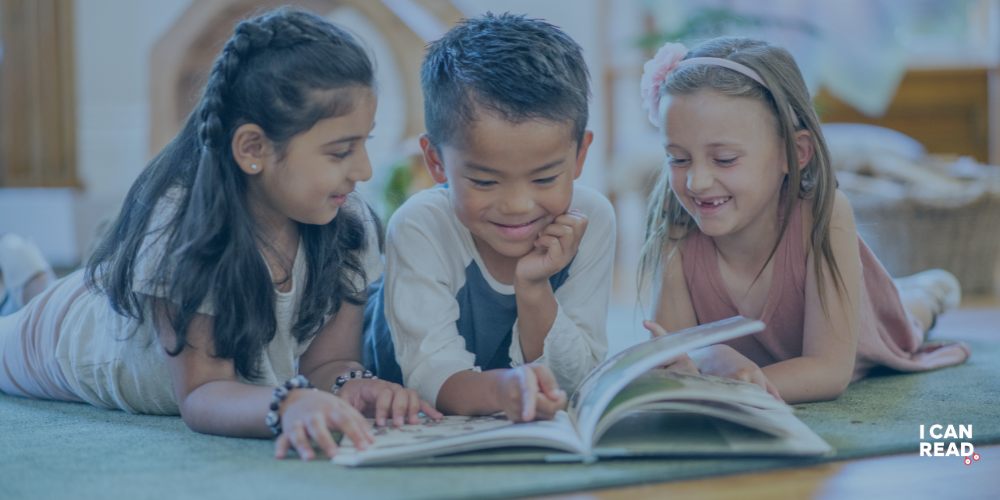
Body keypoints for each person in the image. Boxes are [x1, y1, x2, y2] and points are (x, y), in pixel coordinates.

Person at [0, 8, 440, 461]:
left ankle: (29, 280)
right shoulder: (185, 228)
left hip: (113, 307)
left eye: (364, 142)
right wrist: (287, 403)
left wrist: (354, 385)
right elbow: (203, 393)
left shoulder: (348, 223)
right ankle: (29, 287)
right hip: (76, 341)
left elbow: (323, 365)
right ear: (253, 149)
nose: (364, 170)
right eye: (340, 151)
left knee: (46, 293)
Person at [638, 37, 970, 404]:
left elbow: (827, 372)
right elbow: (669, 352)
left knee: (905, 320)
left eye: (725, 159)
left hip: (861, 326)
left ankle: (929, 291)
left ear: (794, 154)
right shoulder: (675, 227)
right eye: (678, 159)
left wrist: (729, 386)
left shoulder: (822, 214)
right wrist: (707, 355)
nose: (696, 181)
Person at [364, 13, 616, 423]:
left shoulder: (590, 219)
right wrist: (508, 390)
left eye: (545, 177)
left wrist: (533, 287)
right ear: (436, 161)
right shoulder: (420, 225)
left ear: (580, 155)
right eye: (484, 181)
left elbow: (576, 380)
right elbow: (429, 374)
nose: (518, 205)